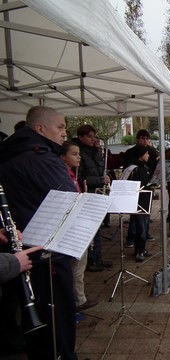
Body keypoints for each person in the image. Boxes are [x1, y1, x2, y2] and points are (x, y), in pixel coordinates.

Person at [0, 105, 79, 359]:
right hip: (46, 252)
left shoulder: (10, 152)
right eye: (60, 127)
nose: (64, 134)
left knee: (35, 315)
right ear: (40, 128)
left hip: (20, 248)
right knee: (58, 320)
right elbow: (70, 198)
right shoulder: (40, 156)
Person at [60, 141, 98, 312]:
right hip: (72, 226)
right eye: (74, 154)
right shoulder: (63, 176)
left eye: (79, 154)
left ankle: (77, 297)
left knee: (79, 265)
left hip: (79, 221)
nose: (79, 157)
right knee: (77, 265)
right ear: (62, 157)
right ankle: (78, 300)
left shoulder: (73, 174)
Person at [73, 125, 112, 272]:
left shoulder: (94, 151)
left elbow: (100, 169)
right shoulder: (78, 153)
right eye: (89, 136)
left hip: (96, 193)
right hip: (86, 194)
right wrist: (100, 180)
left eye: (94, 136)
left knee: (97, 228)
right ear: (81, 137)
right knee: (89, 230)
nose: (93, 139)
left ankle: (98, 258)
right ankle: (91, 260)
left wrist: (106, 177)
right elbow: (80, 178)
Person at [123, 130, 157, 246]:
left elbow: (156, 160)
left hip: (148, 183)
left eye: (147, 139)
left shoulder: (150, 151)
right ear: (138, 139)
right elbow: (127, 168)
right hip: (136, 185)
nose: (145, 141)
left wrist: (151, 149)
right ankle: (132, 237)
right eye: (142, 138)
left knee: (146, 212)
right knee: (136, 213)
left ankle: (145, 232)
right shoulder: (131, 152)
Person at [123, 145, 153, 262]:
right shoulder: (134, 168)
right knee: (140, 227)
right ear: (141, 155)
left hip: (145, 200)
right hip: (138, 202)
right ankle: (139, 251)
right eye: (146, 153)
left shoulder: (145, 167)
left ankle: (142, 248)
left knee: (144, 227)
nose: (148, 155)